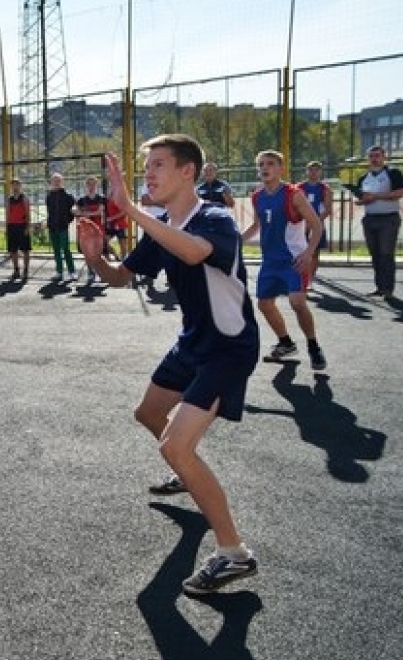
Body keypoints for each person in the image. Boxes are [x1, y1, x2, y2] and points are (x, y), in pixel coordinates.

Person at [78, 134, 260, 596]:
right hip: (192, 343)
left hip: (228, 349)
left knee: (175, 446)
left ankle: (234, 553)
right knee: (148, 414)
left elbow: (194, 251)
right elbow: (120, 278)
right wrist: (96, 258)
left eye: (158, 165)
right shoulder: (161, 225)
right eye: (146, 167)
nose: (149, 174)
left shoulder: (215, 219)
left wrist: (128, 209)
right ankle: (188, 472)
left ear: (187, 172)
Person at [242, 150, 326, 371]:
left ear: (281, 168)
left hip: (293, 260)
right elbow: (257, 225)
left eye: (270, 163)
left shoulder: (293, 194)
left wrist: (308, 253)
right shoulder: (257, 196)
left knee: (297, 302)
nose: (265, 168)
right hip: (270, 262)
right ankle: (286, 343)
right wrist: (235, 241)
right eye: (261, 164)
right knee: (264, 304)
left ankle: (313, 346)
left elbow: (317, 225)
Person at [354, 145, 403, 300]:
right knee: (375, 254)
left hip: (388, 219)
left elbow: (399, 193)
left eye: (377, 155)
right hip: (370, 218)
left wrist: (375, 197)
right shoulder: (363, 178)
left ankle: (388, 289)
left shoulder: (393, 173)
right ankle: (380, 287)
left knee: (386, 254)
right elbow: (361, 198)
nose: (374, 159)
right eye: (371, 156)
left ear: (384, 157)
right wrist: (362, 201)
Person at [298, 161, 332, 285]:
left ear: (320, 172)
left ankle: (310, 279)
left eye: (316, 170)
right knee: (299, 251)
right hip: (301, 225)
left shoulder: (325, 189)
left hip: (317, 224)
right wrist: (304, 222)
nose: (313, 172)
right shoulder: (299, 188)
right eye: (311, 170)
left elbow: (327, 210)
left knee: (314, 252)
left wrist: (314, 223)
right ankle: (299, 278)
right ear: (306, 171)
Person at [45, 173, 77, 282]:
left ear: (62, 182)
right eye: (54, 181)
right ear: (51, 182)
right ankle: (59, 272)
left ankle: (72, 272)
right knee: (56, 251)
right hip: (52, 227)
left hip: (63, 227)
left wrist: (66, 221)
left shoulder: (68, 196)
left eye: (58, 181)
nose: (56, 183)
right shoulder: (49, 196)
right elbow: (49, 212)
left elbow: (73, 210)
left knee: (66, 249)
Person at [75, 176, 107, 285]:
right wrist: (82, 213)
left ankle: (101, 273)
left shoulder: (101, 198)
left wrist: (86, 214)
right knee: (88, 252)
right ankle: (90, 272)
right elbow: (77, 212)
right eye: (89, 184)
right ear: (86, 185)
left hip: (98, 229)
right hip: (86, 230)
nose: (91, 186)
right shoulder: (81, 200)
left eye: (93, 184)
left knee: (99, 252)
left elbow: (99, 212)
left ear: (96, 185)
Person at [4, 178, 32, 281]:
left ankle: (26, 271)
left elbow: (28, 214)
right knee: (13, 250)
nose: (15, 187)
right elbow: (7, 215)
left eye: (17, 185)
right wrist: (7, 228)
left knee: (25, 250)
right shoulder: (9, 199)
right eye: (13, 185)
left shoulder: (24, 198)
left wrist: (27, 227)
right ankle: (16, 270)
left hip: (22, 226)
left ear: (20, 186)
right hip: (12, 227)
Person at [105, 185, 130, 261]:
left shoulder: (120, 199)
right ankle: (116, 255)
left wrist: (112, 218)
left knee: (122, 244)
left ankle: (124, 260)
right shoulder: (107, 199)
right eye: (110, 188)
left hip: (120, 224)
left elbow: (124, 212)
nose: (110, 190)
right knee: (104, 242)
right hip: (110, 225)